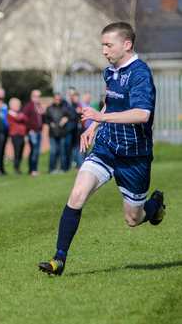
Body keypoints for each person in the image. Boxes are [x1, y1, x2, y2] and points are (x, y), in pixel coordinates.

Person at [38, 22, 166, 276]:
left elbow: (141, 114)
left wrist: (100, 117)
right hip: (106, 146)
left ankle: (155, 208)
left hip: (134, 155)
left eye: (109, 45)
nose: (104, 50)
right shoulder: (110, 72)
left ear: (127, 45)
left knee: (133, 219)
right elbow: (111, 105)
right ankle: (59, 259)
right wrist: (93, 126)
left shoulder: (140, 73)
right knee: (77, 195)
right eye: (103, 45)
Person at [44, 93, 74, 174]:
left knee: (62, 152)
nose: (57, 101)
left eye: (59, 99)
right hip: (53, 133)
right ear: (53, 99)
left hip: (62, 133)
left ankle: (63, 168)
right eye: (56, 99)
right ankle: (52, 169)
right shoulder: (49, 109)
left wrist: (66, 118)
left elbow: (73, 116)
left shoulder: (65, 108)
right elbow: (45, 119)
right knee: (53, 152)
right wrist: (50, 122)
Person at [22, 90, 44, 176]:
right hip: (32, 132)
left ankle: (35, 169)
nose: (37, 98)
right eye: (36, 96)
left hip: (39, 131)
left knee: (37, 151)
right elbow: (25, 119)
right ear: (32, 97)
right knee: (34, 151)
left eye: (39, 96)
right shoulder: (28, 106)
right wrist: (29, 129)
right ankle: (32, 169)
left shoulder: (38, 106)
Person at [6, 98, 27, 175]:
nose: (19, 106)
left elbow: (25, 119)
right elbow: (19, 118)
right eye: (18, 105)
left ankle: (18, 167)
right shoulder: (10, 113)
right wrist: (21, 118)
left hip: (22, 134)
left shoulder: (19, 113)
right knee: (17, 151)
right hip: (15, 135)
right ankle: (16, 168)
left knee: (21, 152)